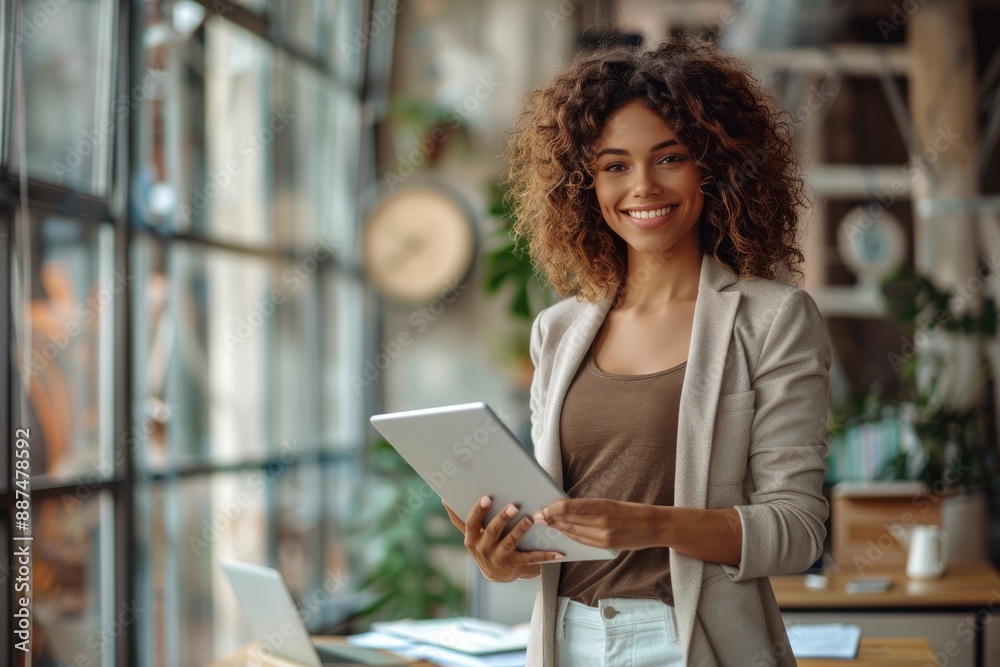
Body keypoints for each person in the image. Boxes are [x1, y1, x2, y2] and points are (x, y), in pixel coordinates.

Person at [443, 35, 831, 667]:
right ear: (585, 184)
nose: (643, 186)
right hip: (561, 641)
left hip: (689, 642)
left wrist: (651, 524)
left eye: (669, 157)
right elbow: (552, 521)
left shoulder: (774, 319)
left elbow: (796, 530)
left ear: (715, 165)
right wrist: (501, 557)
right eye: (615, 165)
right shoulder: (557, 330)